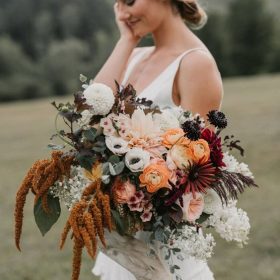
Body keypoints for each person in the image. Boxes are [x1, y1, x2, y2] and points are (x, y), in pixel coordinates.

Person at [92, 0, 223, 279]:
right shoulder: (136, 55)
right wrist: (127, 40)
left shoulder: (195, 63)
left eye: (129, 1)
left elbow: (195, 166)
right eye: (117, 3)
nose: (123, 13)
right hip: (125, 240)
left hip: (164, 247)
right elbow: (92, 108)